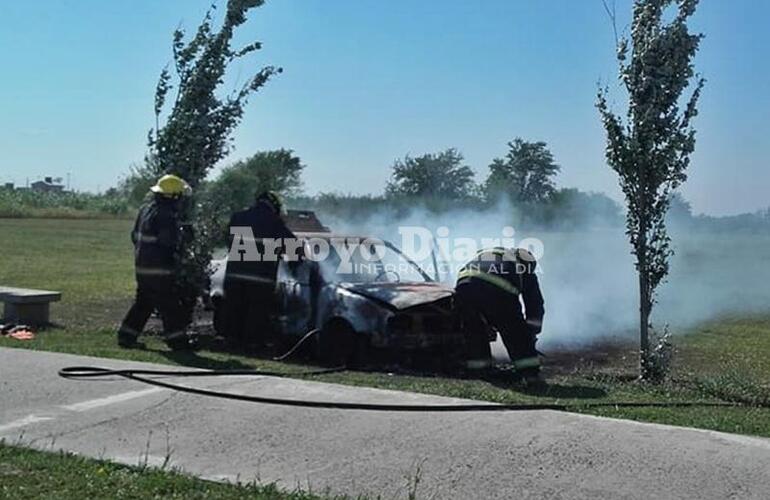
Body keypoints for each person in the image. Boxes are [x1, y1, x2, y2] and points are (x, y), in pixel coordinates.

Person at [117, 174, 192, 350]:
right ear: (173, 196)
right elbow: (169, 242)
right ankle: (177, 341)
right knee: (170, 304)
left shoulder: (146, 209)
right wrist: (183, 238)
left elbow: (134, 236)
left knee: (144, 302)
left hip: (142, 266)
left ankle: (126, 336)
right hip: (160, 269)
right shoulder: (167, 214)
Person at [454, 247, 545, 382]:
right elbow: (534, 303)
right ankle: (530, 375)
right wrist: (530, 332)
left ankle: (479, 371)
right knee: (515, 331)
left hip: (464, 284)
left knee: (474, 330)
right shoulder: (524, 267)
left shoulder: (491, 253)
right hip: (496, 287)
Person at [223, 191, 296, 350]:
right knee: (257, 312)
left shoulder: (238, 217)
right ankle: (252, 344)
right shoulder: (274, 222)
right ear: (274, 204)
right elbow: (293, 248)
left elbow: (228, 242)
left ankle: (231, 341)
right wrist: (295, 264)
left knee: (234, 308)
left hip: (235, 274)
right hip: (260, 277)